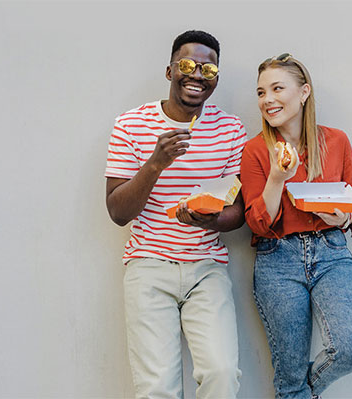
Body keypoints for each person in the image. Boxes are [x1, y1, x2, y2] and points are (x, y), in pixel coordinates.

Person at [104, 30, 246, 398]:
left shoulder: (230, 130)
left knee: (222, 372)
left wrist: (211, 219)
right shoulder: (131, 124)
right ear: (169, 71)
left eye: (208, 69)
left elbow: (238, 211)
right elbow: (118, 211)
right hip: (149, 266)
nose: (197, 75)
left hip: (207, 268)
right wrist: (155, 164)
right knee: (157, 389)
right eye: (186, 65)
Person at [240, 53, 352, 398]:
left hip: (331, 253)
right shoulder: (255, 151)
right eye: (260, 92)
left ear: (304, 92)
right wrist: (276, 179)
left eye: (277, 88)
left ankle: (296, 391)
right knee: (289, 368)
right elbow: (257, 222)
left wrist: (343, 217)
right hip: (277, 259)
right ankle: (293, 387)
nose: (267, 100)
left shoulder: (337, 141)